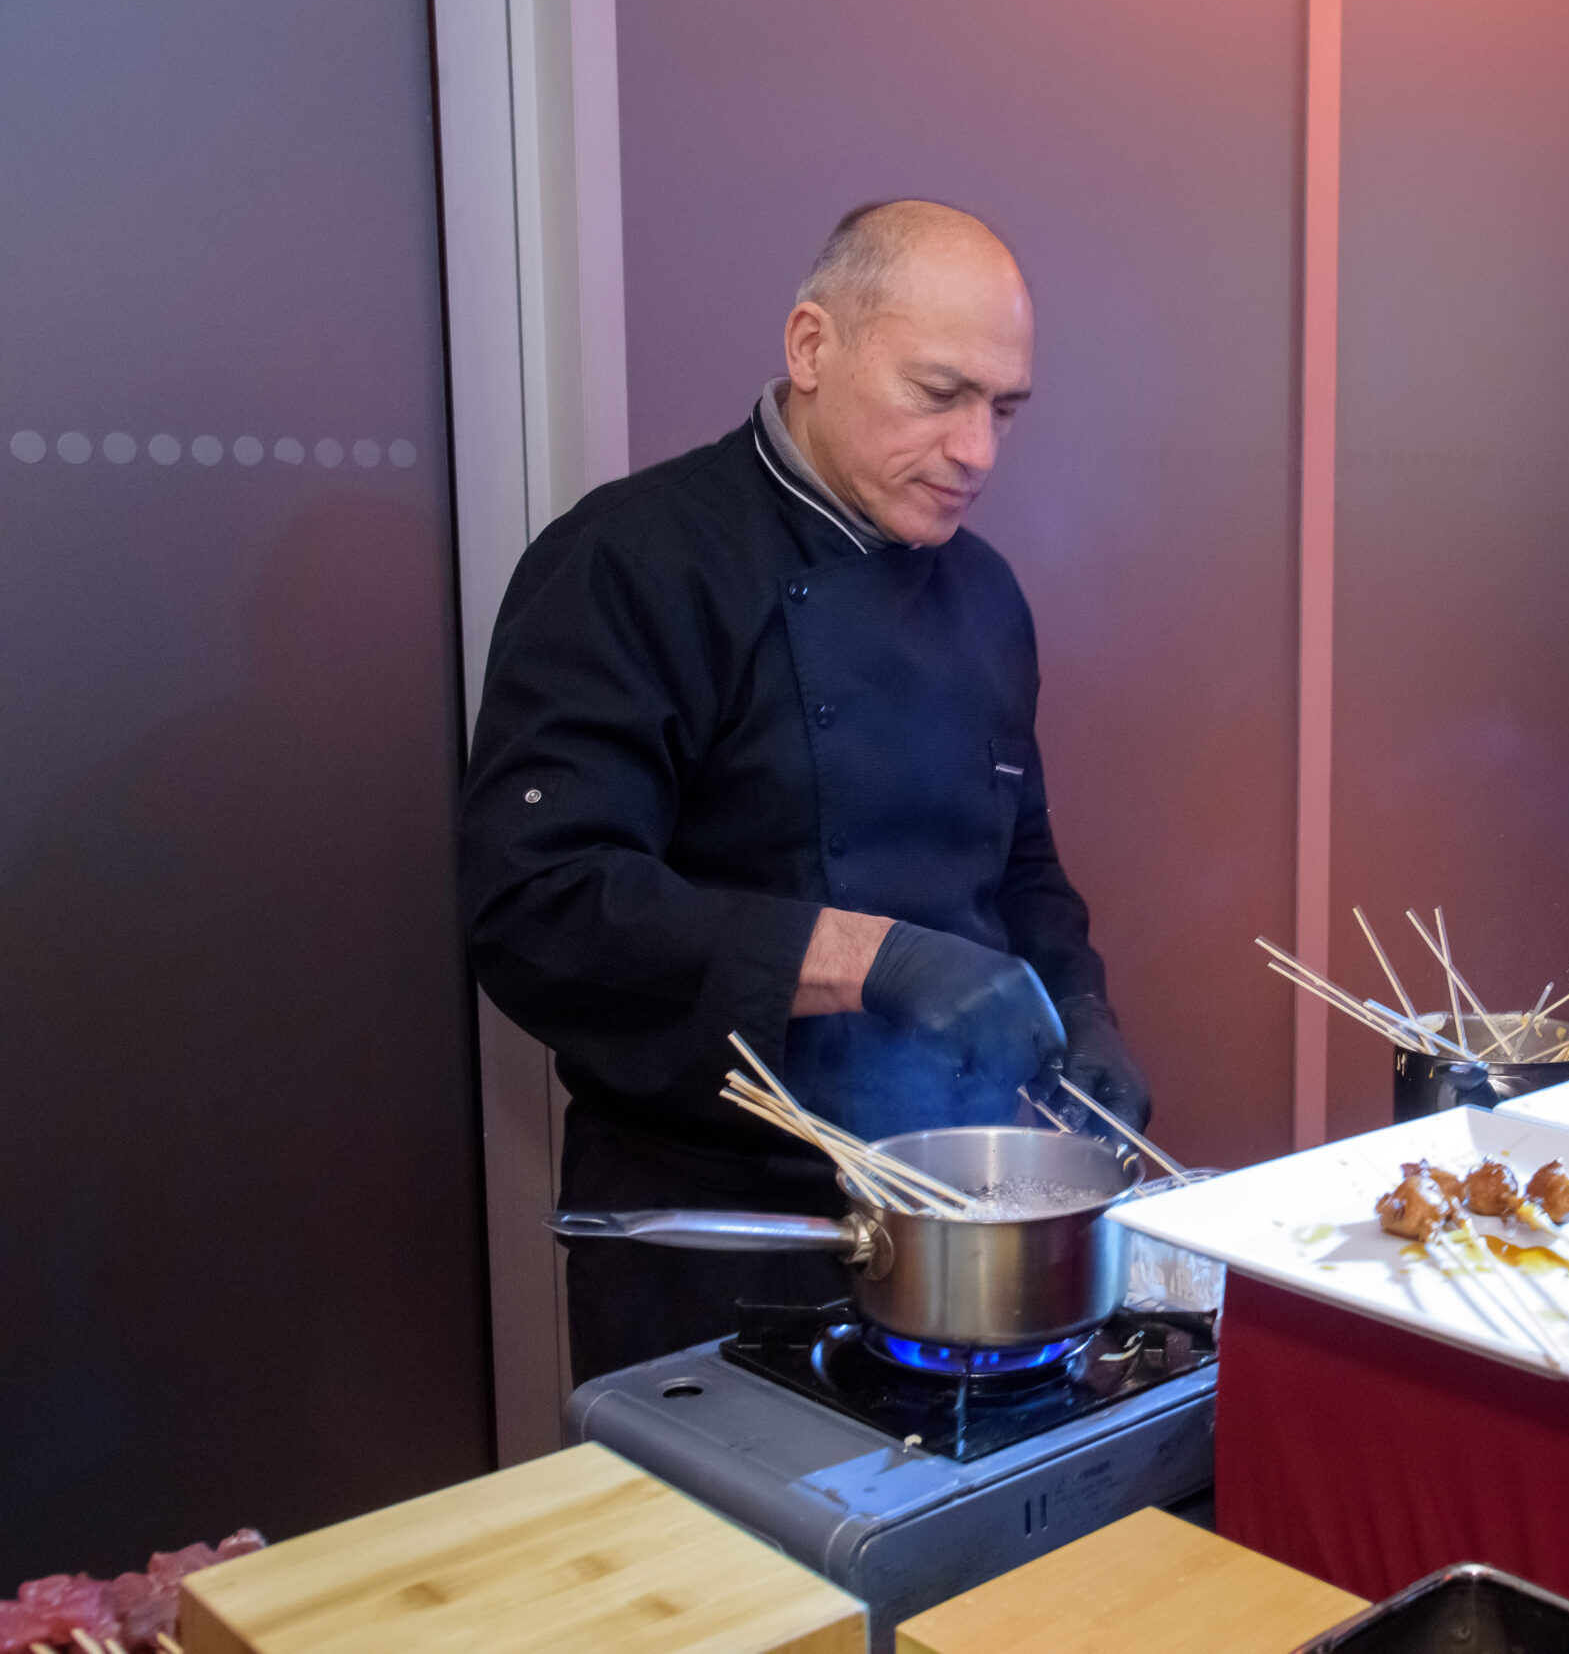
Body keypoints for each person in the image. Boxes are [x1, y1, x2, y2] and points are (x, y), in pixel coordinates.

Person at [460, 200, 1150, 1382]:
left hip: (954, 1216)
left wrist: (1081, 1007)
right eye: (940, 393)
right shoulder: (631, 560)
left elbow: (1022, 863)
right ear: (812, 345)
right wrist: (874, 957)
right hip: (723, 1231)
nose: (978, 450)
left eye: (1003, 408)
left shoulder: (983, 593)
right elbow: (542, 900)